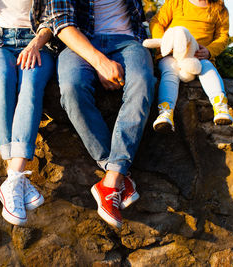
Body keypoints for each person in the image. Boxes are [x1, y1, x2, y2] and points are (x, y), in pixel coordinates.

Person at [48, 0, 157, 228]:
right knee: (71, 88)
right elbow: (61, 23)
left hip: (128, 41)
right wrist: (100, 62)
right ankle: (117, 171)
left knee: (142, 82)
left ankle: (111, 180)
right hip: (79, 42)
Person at [0, 0, 55, 225]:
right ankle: (17, 180)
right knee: (2, 78)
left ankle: (14, 177)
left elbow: (54, 18)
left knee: (30, 84)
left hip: (38, 42)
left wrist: (36, 44)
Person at [150, 0, 233, 133]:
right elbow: (157, 22)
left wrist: (209, 51)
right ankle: (165, 112)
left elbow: (222, 37)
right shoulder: (176, 2)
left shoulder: (219, 8)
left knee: (208, 69)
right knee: (170, 70)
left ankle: (220, 106)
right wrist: (165, 43)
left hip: (199, 57)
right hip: (172, 55)